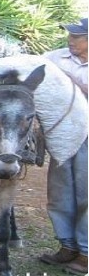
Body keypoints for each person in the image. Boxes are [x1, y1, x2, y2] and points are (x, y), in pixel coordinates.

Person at [39, 17, 88, 275]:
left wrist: (69, 80)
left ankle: (86, 253)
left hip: (88, 137)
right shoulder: (56, 57)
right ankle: (67, 245)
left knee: (86, 195)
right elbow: (31, 65)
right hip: (61, 135)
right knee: (59, 193)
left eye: (77, 36)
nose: (70, 40)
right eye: (69, 35)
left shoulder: (65, 67)